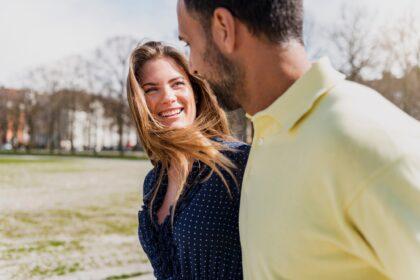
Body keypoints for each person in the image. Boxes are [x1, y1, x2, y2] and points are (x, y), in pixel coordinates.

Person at [177, 0, 420, 279]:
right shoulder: (268, 133)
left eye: (189, 44)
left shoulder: (367, 139)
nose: (192, 67)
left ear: (223, 28)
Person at [126, 41, 249, 280]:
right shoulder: (153, 182)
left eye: (177, 84)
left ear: (195, 90)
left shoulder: (237, 163)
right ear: (140, 102)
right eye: (151, 89)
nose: (168, 97)